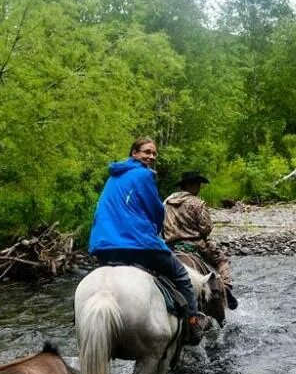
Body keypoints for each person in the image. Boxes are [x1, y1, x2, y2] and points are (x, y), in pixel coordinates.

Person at [88, 138, 211, 344]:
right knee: (181, 275)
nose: (151, 157)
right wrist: (154, 231)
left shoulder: (113, 178)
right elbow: (156, 210)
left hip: (104, 246)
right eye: (147, 152)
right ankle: (192, 322)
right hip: (136, 244)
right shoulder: (144, 175)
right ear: (134, 153)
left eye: (154, 153)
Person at [163, 171, 237, 310]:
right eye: (198, 184)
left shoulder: (166, 202)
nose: (199, 187)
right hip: (194, 245)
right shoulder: (197, 203)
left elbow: (160, 225)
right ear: (191, 185)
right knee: (221, 261)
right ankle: (226, 289)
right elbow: (206, 229)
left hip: (170, 246)